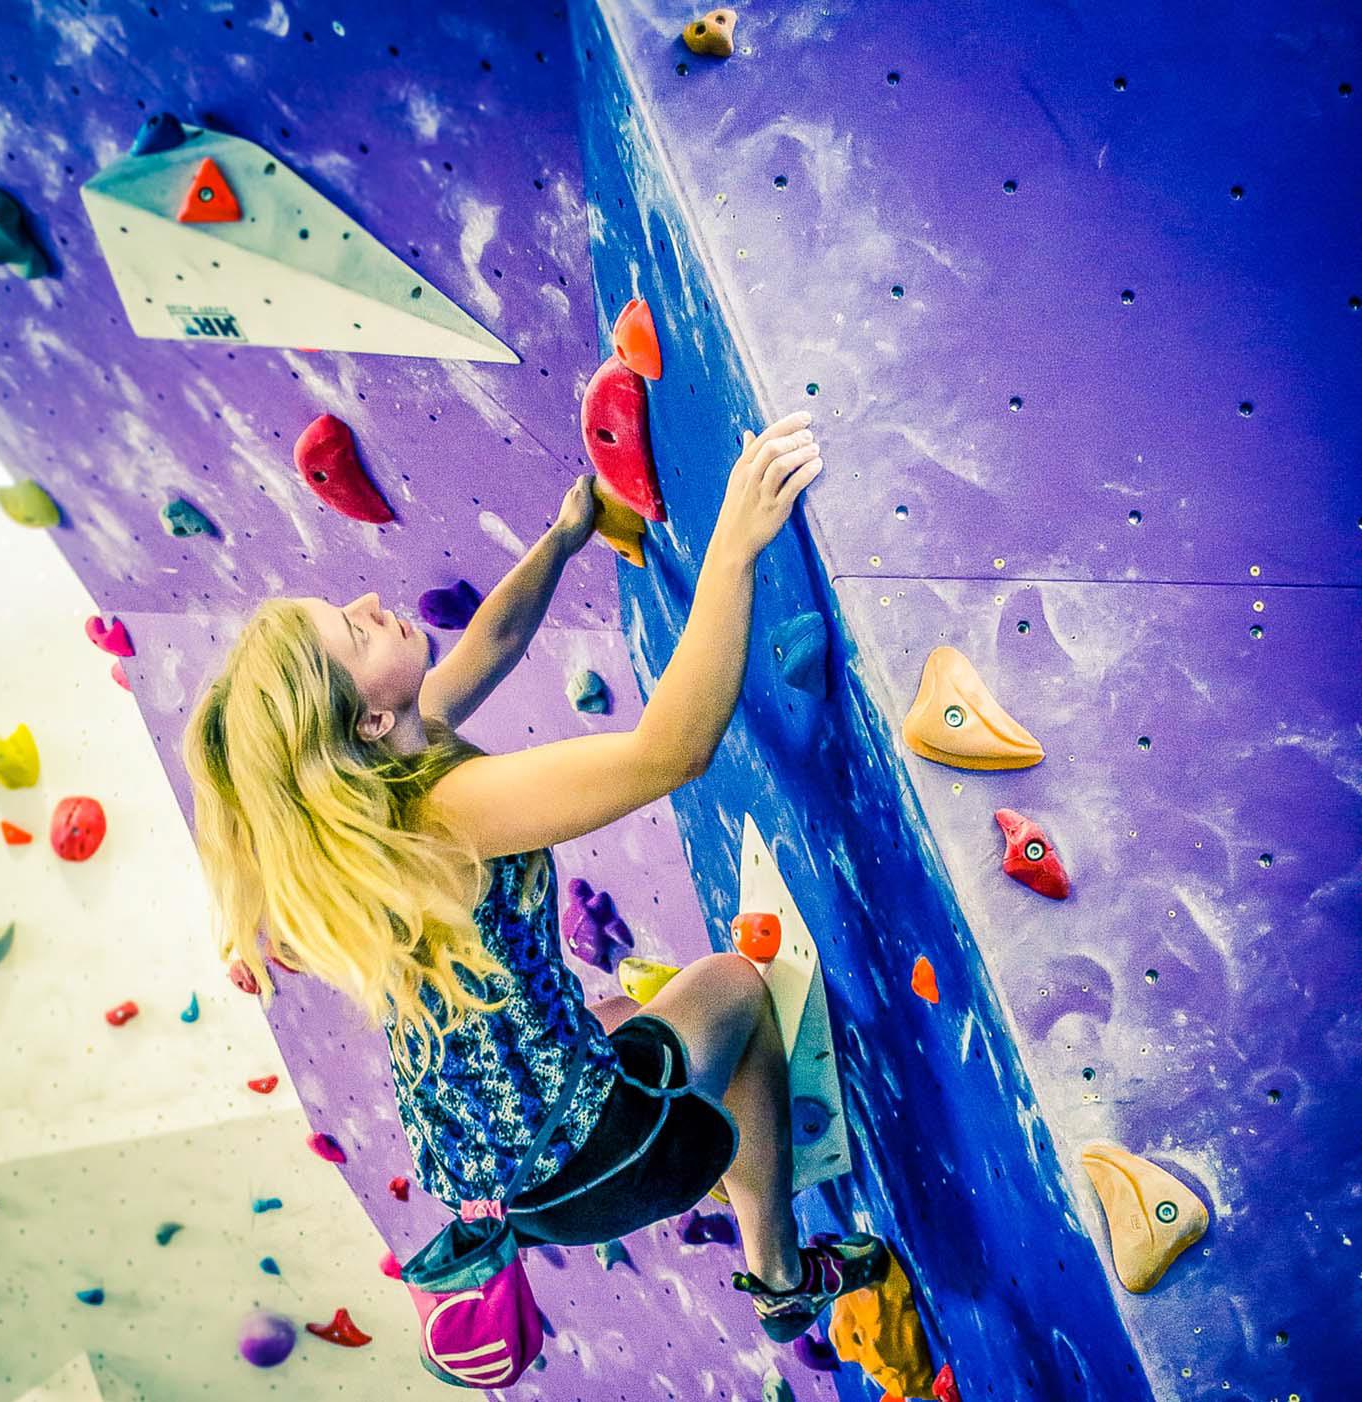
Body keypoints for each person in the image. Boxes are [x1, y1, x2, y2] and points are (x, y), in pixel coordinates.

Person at [182, 409, 888, 1342]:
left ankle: (720, 1167)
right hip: (592, 1160)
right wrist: (734, 546)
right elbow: (669, 752)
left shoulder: (379, 783)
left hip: (500, 1170)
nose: (368, 603)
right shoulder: (446, 815)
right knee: (735, 988)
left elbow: (488, 645)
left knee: (617, 1014)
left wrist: (561, 541)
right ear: (365, 721)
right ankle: (781, 1272)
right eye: (353, 633)